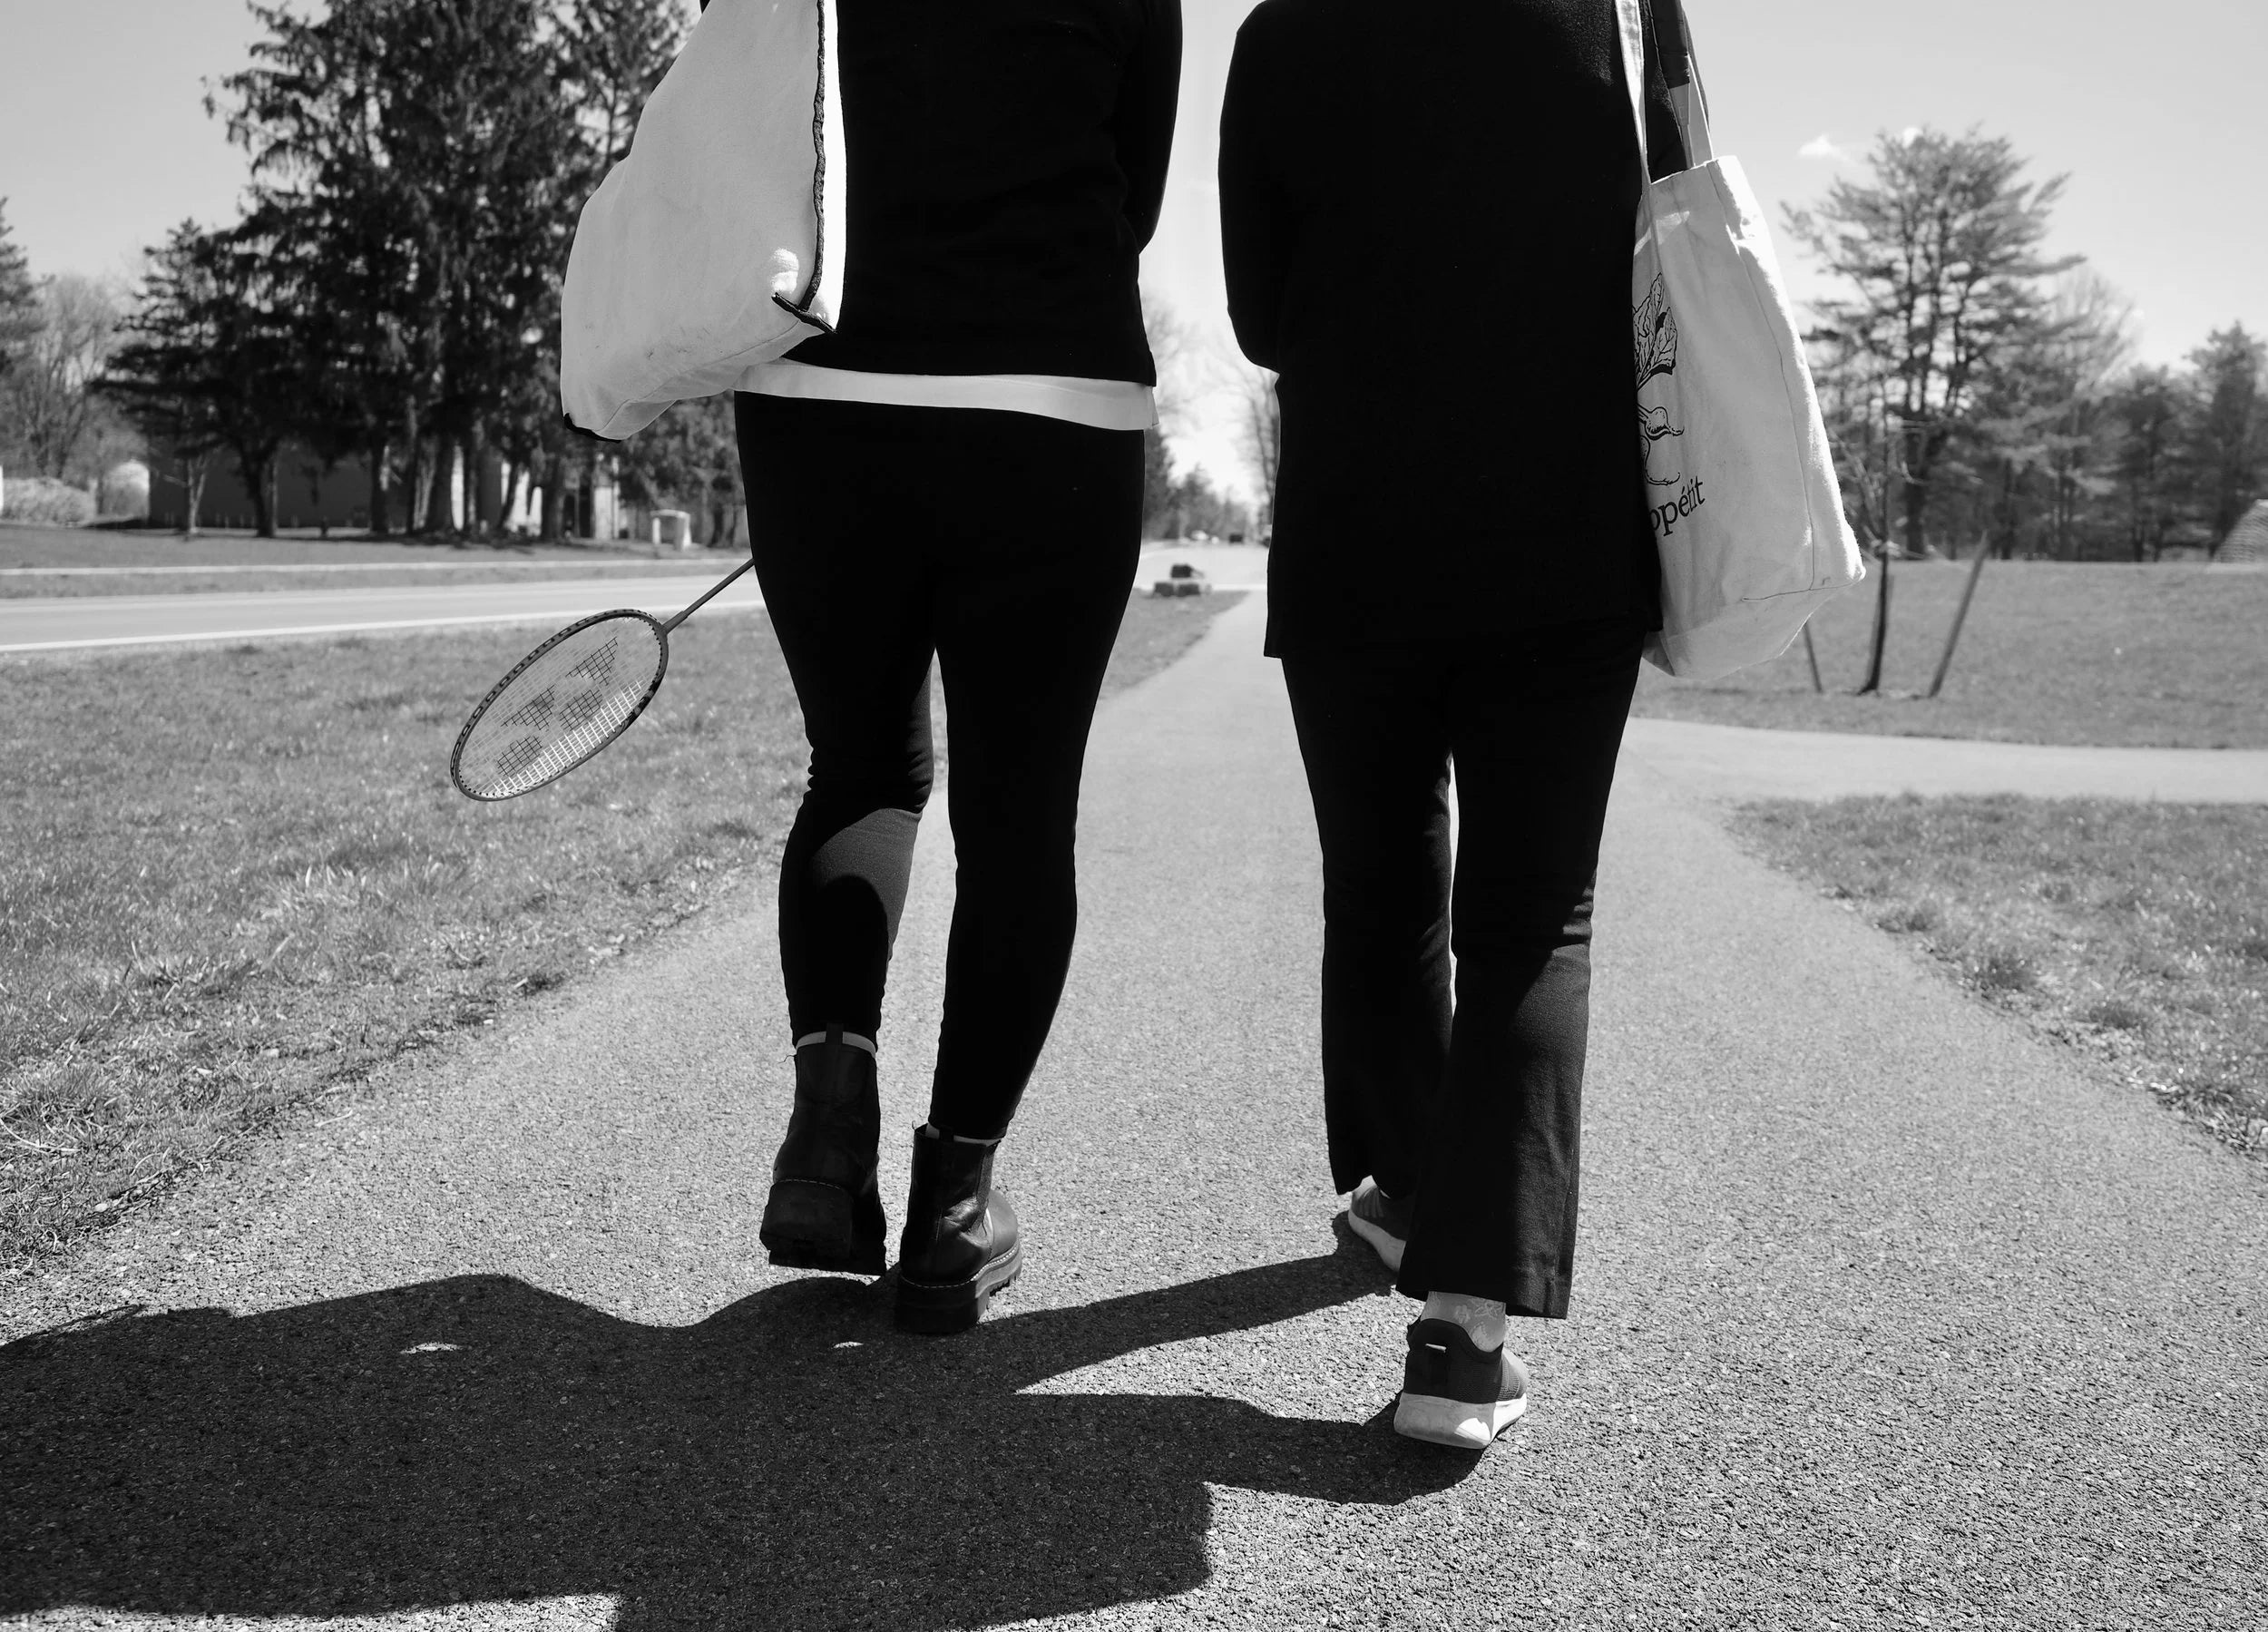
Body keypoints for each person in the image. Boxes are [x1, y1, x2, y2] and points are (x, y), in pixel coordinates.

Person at [1219, 0, 1690, 1444]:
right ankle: (1465, 1335)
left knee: (1379, 884)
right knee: (1533, 915)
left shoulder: (1286, 30)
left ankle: (1415, 1190)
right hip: (1566, 523)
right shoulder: (1619, 13)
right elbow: (1683, 229)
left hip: (1361, 524)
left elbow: (1252, 313)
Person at [738, 0, 1180, 1334]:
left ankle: (829, 1125)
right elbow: (1137, 197)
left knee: (862, 764)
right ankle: (952, 1207)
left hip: (823, 394)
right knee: (1018, 808)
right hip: (1051, 402)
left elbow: (742, 120)